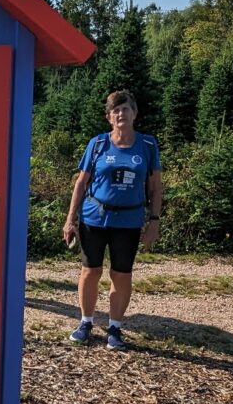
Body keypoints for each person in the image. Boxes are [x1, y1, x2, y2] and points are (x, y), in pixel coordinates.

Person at [61, 88, 162, 351]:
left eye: (125, 108)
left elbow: (155, 187)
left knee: (121, 274)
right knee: (90, 270)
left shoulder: (148, 145)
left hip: (128, 221)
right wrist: (70, 219)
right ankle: (86, 322)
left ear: (135, 113)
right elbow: (81, 183)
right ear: (109, 117)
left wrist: (154, 221)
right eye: (115, 110)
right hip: (94, 217)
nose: (120, 113)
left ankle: (115, 327)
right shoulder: (97, 144)